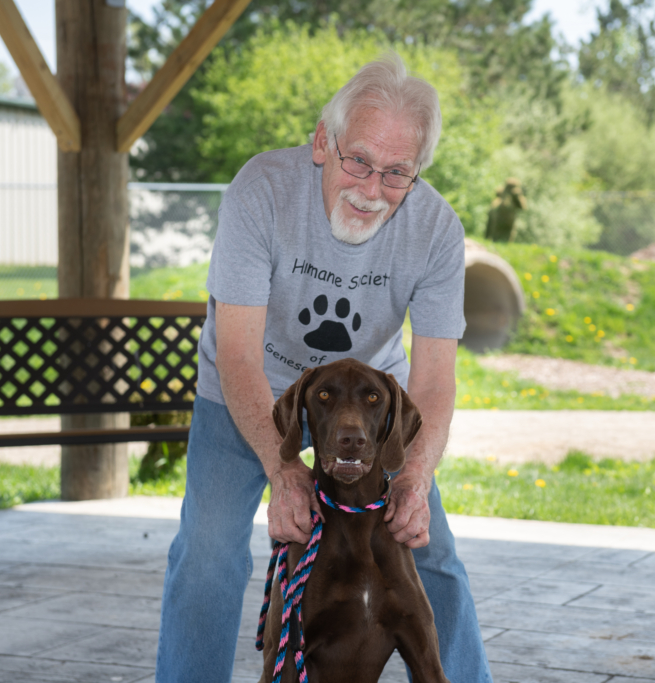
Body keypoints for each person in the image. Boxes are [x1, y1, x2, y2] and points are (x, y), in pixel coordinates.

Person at [156, 52, 493, 683]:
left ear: (417, 175)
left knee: (433, 551)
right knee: (207, 552)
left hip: (365, 406)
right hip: (251, 389)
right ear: (322, 142)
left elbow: (435, 380)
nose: (371, 189)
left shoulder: (438, 230)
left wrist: (414, 477)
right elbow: (236, 353)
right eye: (358, 160)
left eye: (396, 173)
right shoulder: (261, 190)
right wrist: (284, 468)